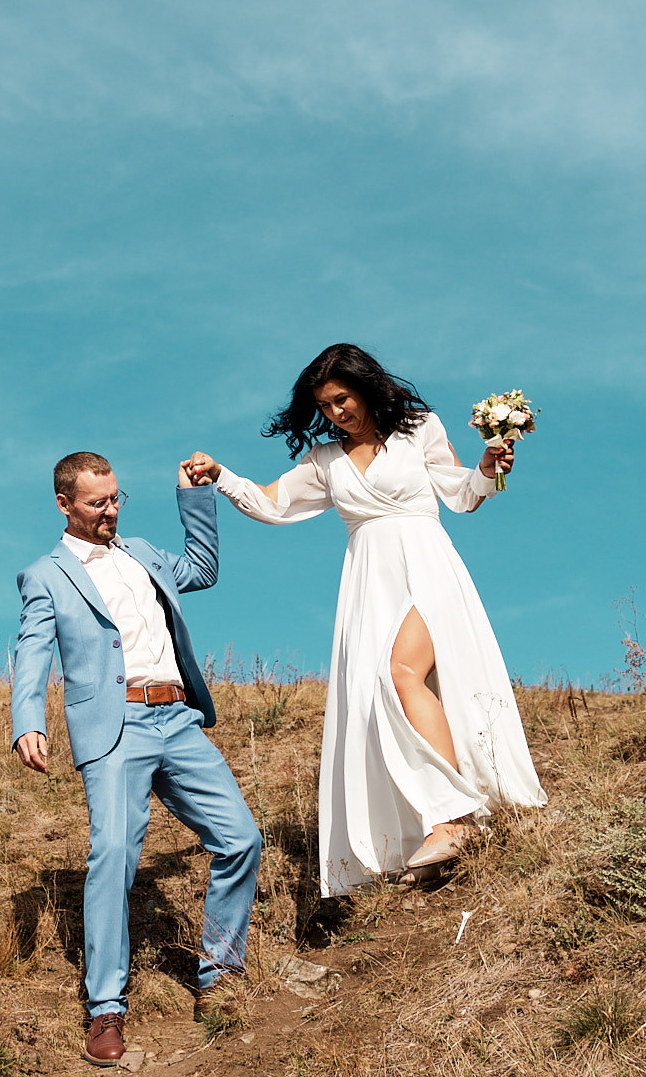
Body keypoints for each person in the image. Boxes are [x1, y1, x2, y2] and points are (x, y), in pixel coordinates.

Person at [180, 343, 544, 894]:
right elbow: (271, 504)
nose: (336, 413)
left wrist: (489, 469)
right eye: (324, 406)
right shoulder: (325, 462)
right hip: (370, 584)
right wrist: (221, 474)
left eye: (342, 399)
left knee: (399, 675)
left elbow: (463, 494)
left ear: (365, 387)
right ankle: (444, 819)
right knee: (381, 695)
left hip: (427, 565)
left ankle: (453, 819)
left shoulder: (418, 429)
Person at [11, 452, 263, 1068]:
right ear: (65, 504)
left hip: (177, 718)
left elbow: (202, 567)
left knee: (241, 838)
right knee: (113, 856)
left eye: (117, 497)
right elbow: (32, 650)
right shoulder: (45, 574)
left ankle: (220, 972)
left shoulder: (144, 552)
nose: (111, 510)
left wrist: (194, 496)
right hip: (114, 725)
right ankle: (105, 1008)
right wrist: (28, 721)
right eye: (98, 502)